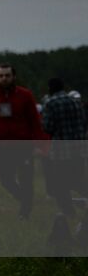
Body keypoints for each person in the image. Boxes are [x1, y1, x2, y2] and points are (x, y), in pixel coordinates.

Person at [0, 63, 43, 219]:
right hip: (3, 145)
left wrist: (40, 143)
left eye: (7, 75)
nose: (4, 78)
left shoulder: (25, 95)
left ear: (14, 76)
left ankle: (25, 211)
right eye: (1, 75)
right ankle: (26, 200)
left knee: (26, 178)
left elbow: (35, 120)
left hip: (24, 144)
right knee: (6, 180)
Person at [41, 77, 86, 230]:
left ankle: (69, 212)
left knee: (59, 185)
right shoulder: (75, 101)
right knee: (77, 180)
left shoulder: (50, 103)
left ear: (51, 88)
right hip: (78, 149)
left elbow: (47, 127)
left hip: (61, 152)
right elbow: (83, 123)